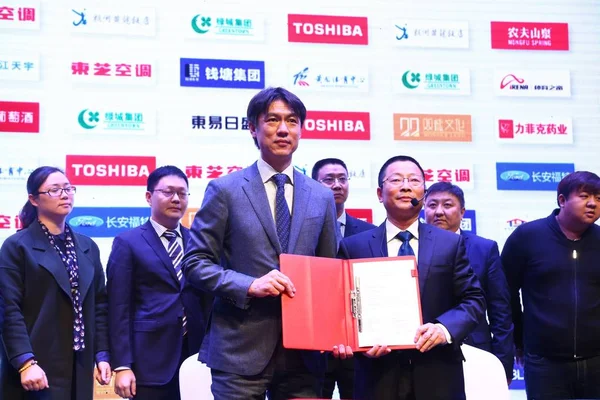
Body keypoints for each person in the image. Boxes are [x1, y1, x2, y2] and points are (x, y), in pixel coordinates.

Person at [181, 87, 339, 400]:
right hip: (239, 348)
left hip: (304, 354)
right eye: (273, 120)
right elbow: (195, 263)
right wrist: (249, 285)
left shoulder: (320, 196)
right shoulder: (225, 190)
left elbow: (329, 272)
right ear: (253, 127)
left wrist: (336, 333)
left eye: (292, 121)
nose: (283, 129)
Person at [338, 155, 485, 400]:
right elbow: (342, 310)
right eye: (396, 179)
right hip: (377, 374)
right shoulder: (354, 246)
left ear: (424, 193)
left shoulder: (450, 243)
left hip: (438, 373)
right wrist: (358, 345)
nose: (406, 186)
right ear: (379, 192)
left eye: (414, 180)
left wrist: (444, 328)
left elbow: (474, 300)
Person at [0, 166, 111, 399]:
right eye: (54, 190)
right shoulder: (17, 246)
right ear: (34, 199)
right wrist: (25, 362)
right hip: (37, 366)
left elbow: (99, 306)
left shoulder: (87, 246)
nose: (64, 194)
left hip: (79, 364)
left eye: (68, 188)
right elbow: (8, 309)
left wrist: (102, 354)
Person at [107, 165, 212, 399]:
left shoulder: (198, 241)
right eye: (168, 192)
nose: (176, 199)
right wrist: (123, 365)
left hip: (198, 358)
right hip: (149, 361)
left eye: (182, 193)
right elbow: (118, 308)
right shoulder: (128, 242)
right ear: (148, 196)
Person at [501, 171, 600, 400]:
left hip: (596, 360)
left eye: (598, 197)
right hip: (544, 363)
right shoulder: (527, 236)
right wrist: (518, 338)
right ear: (562, 200)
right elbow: (505, 292)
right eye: (585, 196)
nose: (593, 203)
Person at [424, 182, 513, 382]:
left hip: (476, 352)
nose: (439, 212)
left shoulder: (485, 248)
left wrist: (503, 365)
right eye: (432, 205)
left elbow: (501, 312)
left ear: (462, 211)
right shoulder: (411, 247)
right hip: (424, 354)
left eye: (447, 205)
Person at [312, 157, 375, 399]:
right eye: (329, 179)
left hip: (360, 342)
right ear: (314, 185)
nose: (337, 185)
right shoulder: (303, 230)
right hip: (315, 342)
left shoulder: (369, 232)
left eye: (342, 179)